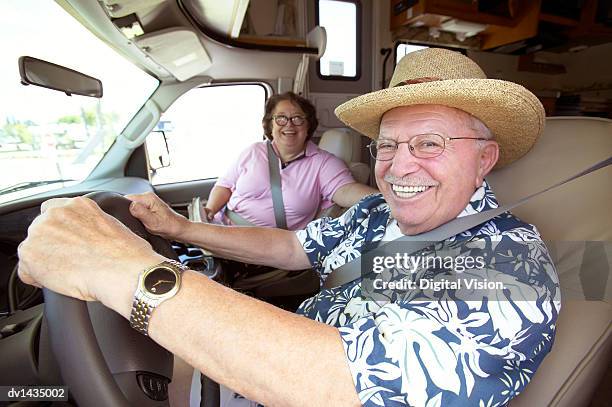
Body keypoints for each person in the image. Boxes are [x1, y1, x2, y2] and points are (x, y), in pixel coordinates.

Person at [18, 48, 560, 406]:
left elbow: (354, 383)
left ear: (485, 159)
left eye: (430, 143)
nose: (400, 165)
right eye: (389, 145)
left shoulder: (512, 264)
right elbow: (291, 246)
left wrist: (127, 274)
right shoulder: (377, 213)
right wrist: (180, 232)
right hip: (253, 377)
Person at [204, 91, 377, 230]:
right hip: (221, 227)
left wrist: (388, 199)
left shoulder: (323, 163)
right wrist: (210, 210)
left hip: (262, 250)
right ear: (270, 125)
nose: (289, 124)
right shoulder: (253, 151)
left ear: (308, 125)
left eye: (297, 118)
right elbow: (225, 185)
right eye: (281, 118)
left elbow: (346, 191)